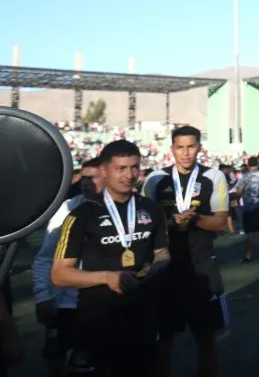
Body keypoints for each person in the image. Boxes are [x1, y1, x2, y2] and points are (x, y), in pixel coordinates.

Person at [51, 140, 170, 376]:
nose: (130, 175)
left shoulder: (153, 209)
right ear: (104, 171)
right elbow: (60, 274)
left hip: (143, 317)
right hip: (97, 320)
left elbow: (163, 253)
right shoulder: (81, 215)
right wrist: (108, 278)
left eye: (134, 167)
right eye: (121, 168)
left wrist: (156, 268)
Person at [142, 125, 230, 377]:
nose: (186, 153)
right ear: (172, 149)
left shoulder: (213, 177)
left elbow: (220, 222)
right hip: (164, 271)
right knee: (163, 342)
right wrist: (173, 223)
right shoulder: (155, 179)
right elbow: (148, 223)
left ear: (199, 148)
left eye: (191, 146)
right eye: (180, 147)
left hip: (202, 267)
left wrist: (193, 220)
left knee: (206, 341)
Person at [33, 157, 104, 377]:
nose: (85, 183)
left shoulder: (125, 209)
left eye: (91, 178)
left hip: (100, 302)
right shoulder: (67, 208)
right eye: (83, 178)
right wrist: (43, 295)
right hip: (64, 302)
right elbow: (45, 256)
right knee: (56, 360)